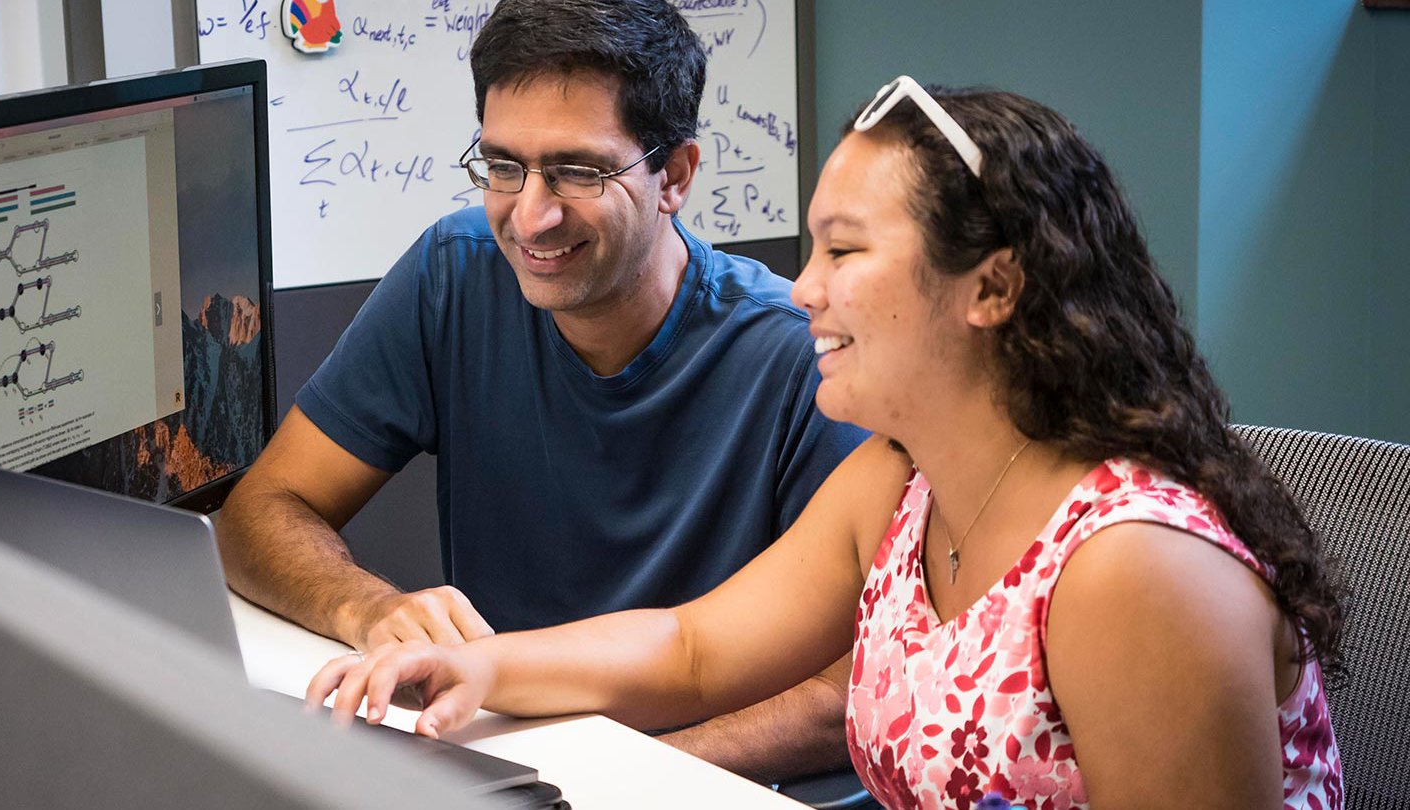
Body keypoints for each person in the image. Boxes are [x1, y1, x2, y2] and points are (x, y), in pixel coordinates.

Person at [307, 79, 1347, 808]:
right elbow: (693, 648)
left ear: (991, 286)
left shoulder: (1138, 570)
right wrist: (477, 664)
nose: (802, 288)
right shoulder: (901, 480)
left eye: (843, 251)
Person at [216, 0, 868, 782]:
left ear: (675, 176)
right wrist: (368, 608)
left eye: (578, 172)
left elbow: (857, 685)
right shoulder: (453, 276)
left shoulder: (799, 359)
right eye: (503, 167)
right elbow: (260, 510)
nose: (531, 216)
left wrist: (627, 776)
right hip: (513, 758)